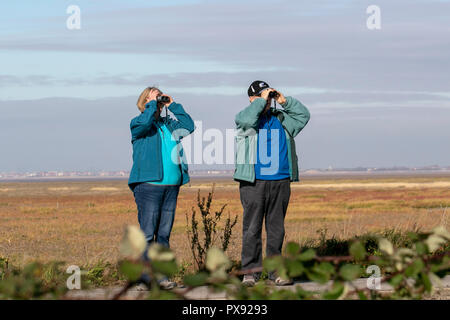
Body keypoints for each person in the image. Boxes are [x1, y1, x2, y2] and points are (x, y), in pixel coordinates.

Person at [234, 80, 310, 287]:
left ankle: (275, 272)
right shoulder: (245, 118)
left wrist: (284, 101)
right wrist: (261, 101)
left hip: (281, 180)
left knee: (276, 229)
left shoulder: (283, 119)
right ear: (252, 99)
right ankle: (250, 272)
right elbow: (248, 119)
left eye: (268, 95)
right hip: (254, 181)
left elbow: (304, 116)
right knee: (252, 229)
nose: (267, 100)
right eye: (261, 96)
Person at [128, 86, 195, 289]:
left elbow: (189, 125)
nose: (158, 97)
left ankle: (162, 277)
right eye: (154, 95)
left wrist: (171, 105)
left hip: (171, 186)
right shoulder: (138, 123)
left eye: (160, 94)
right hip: (148, 185)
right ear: (145, 101)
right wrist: (151, 105)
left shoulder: (168, 124)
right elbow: (145, 122)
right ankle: (144, 278)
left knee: (163, 235)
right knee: (148, 234)